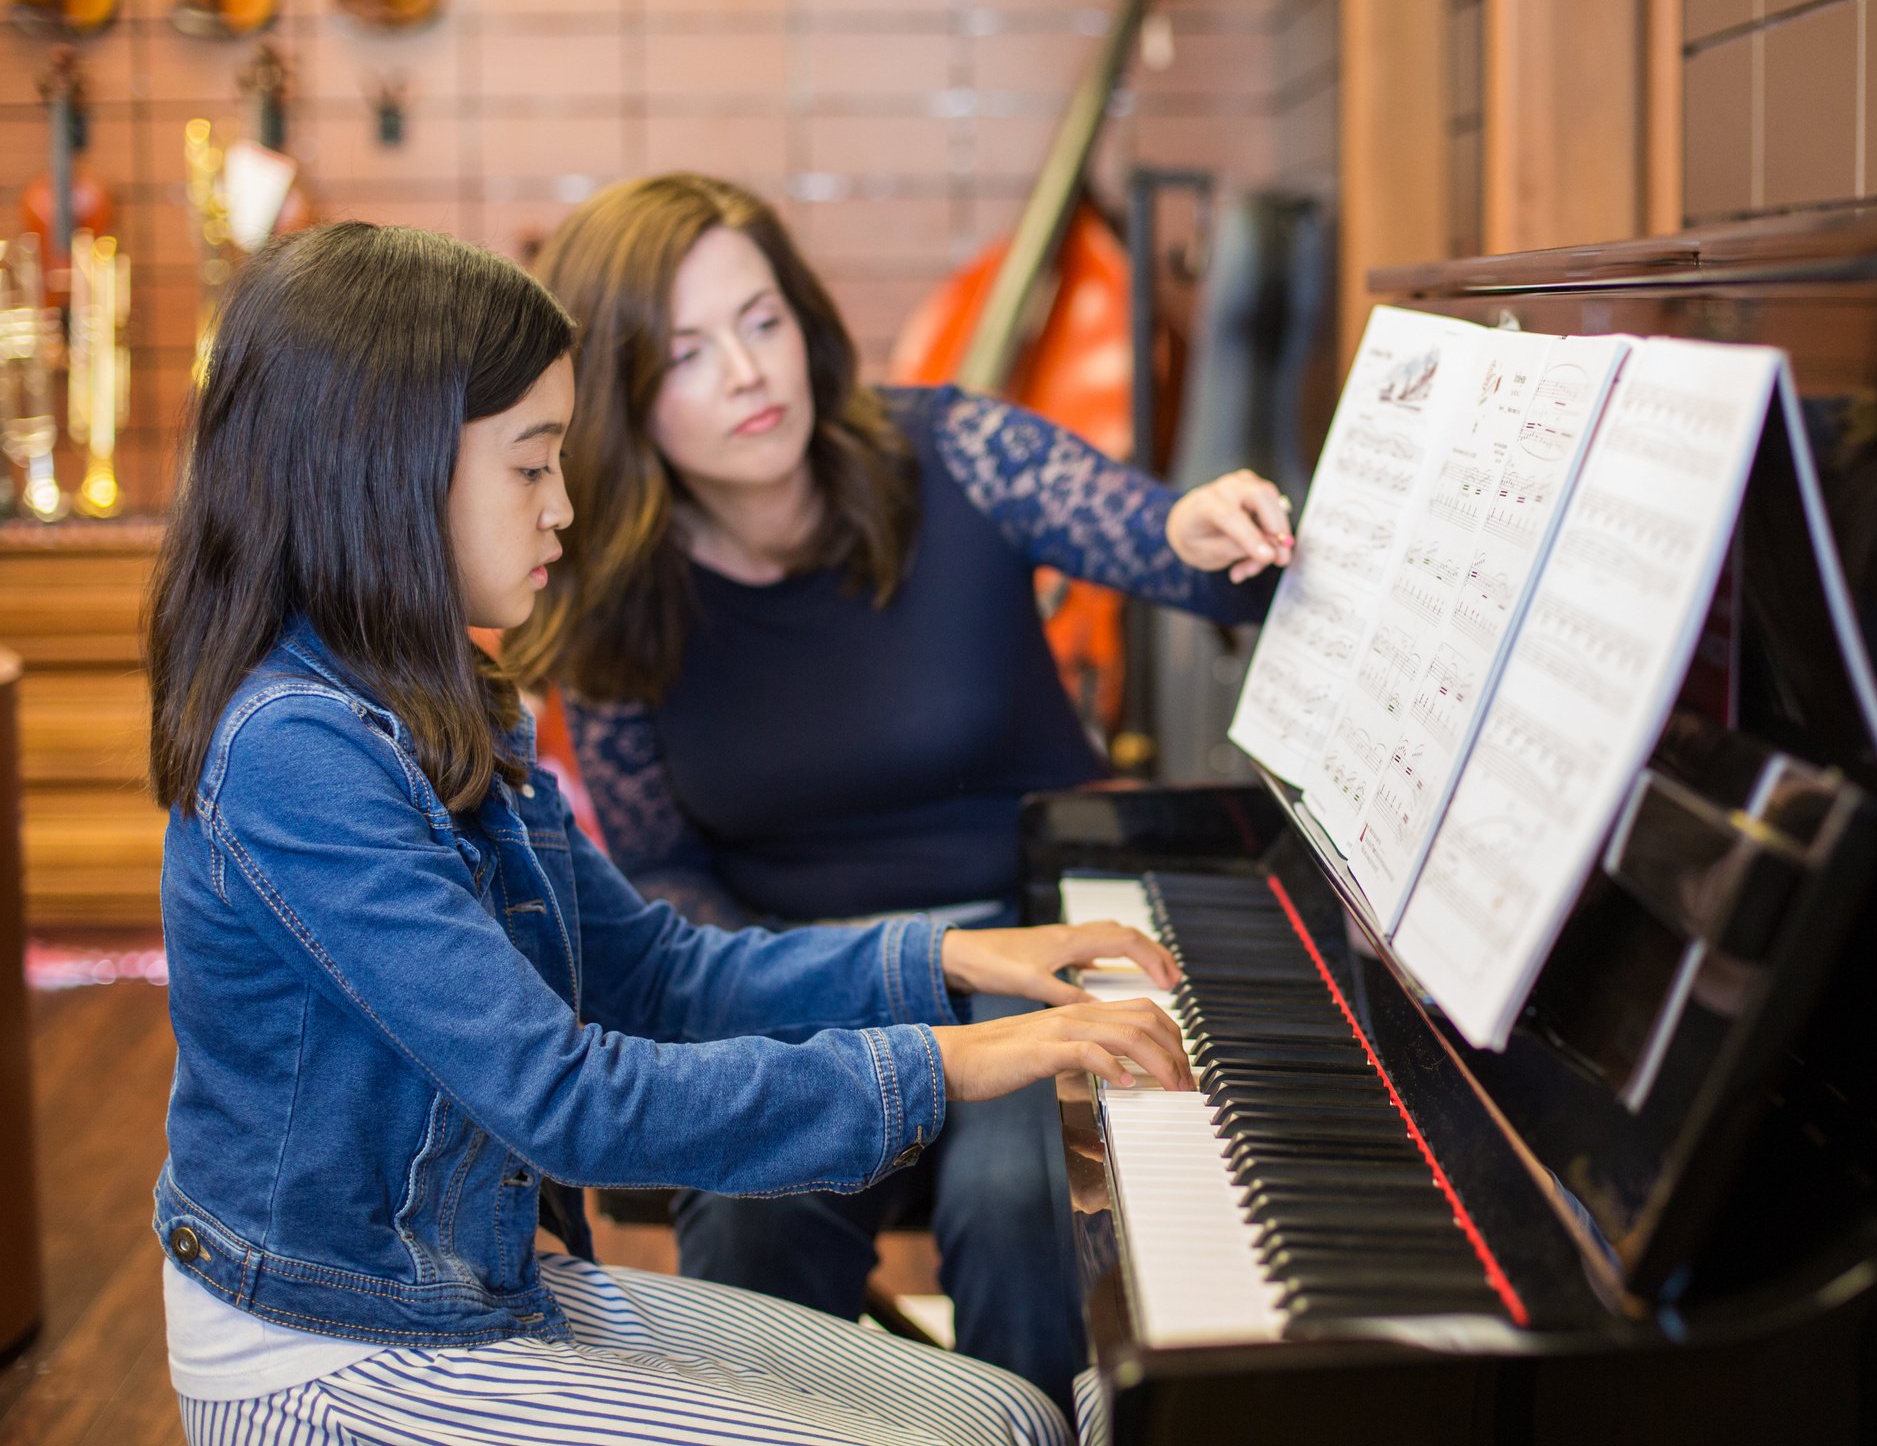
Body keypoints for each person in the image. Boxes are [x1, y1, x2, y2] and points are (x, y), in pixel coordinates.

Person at [145, 220, 1194, 1445]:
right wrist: (964, 1059)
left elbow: (653, 970)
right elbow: (567, 1098)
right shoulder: (294, 750)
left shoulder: (448, 695)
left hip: (472, 1285)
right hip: (334, 1347)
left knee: (1017, 1416)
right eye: (533, 466)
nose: (569, 508)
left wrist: (954, 963)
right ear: (388, 475)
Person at [505, 173, 1294, 1405]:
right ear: (617, 395)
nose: (748, 375)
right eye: (686, 355)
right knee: (750, 1217)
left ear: (804, 318)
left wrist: (1202, 529)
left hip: (1038, 942)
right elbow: (665, 872)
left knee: (1025, 1201)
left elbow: (1166, 543)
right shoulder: (612, 594)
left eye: (761, 323)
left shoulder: (957, 451)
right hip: (802, 980)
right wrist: (800, 1009)